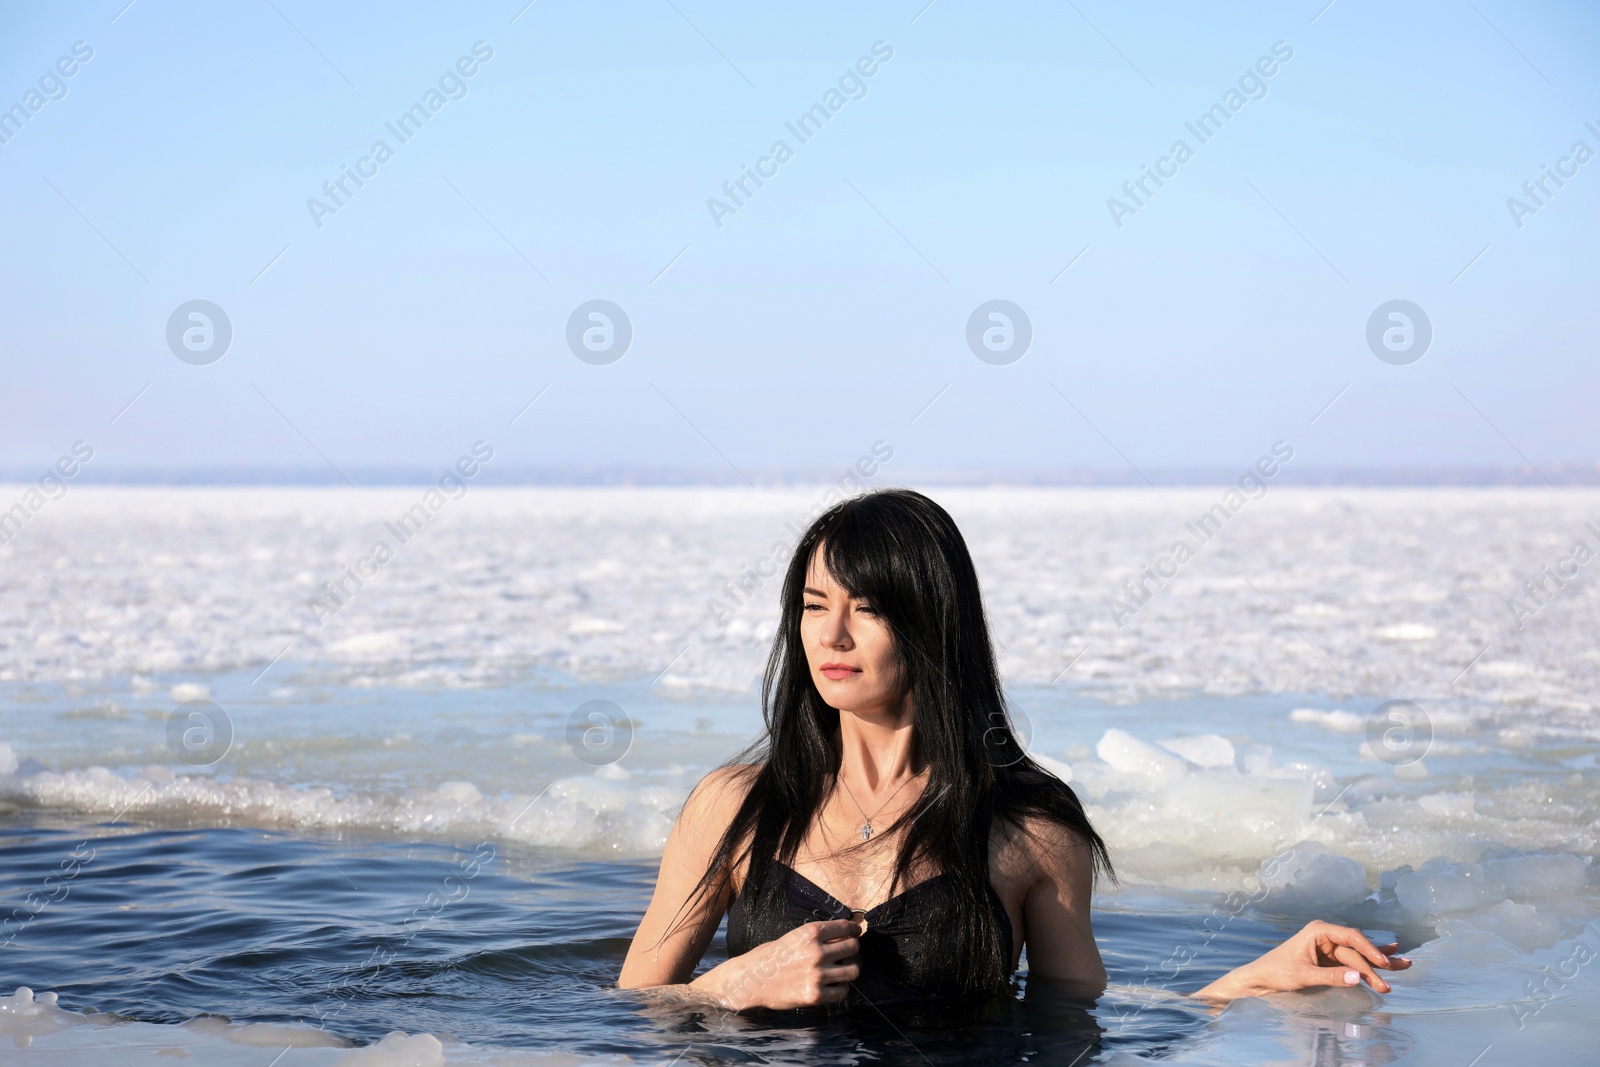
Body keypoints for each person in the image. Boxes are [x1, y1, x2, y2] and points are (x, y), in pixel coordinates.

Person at [618, 488, 1411, 1011]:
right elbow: (629, 1009)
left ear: (931, 623)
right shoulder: (735, 807)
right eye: (815, 604)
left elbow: (1083, 1028)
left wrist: (1256, 975)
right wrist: (732, 986)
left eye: (867, 609)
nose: (830, 634)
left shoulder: (1030, 830)